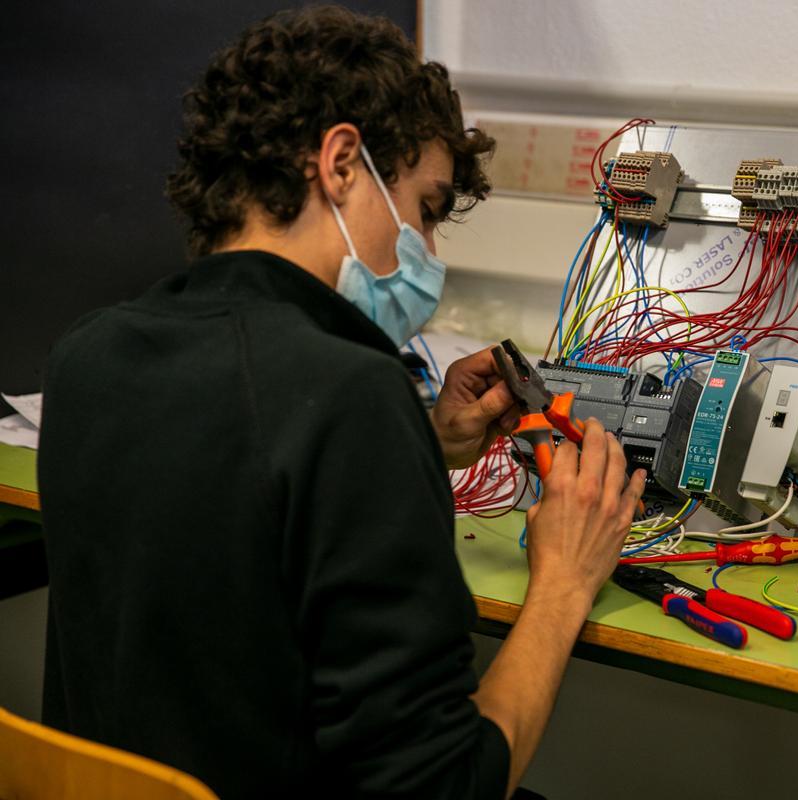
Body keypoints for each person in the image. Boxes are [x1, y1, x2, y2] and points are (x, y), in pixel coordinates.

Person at [37, 7, 645, 799]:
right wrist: (565, 581)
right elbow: (443, 785)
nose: (427, 253)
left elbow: (234, 504)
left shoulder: (89, 356)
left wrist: (421, 443)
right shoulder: (353, 396)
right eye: (425, 211)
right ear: (343, 164)